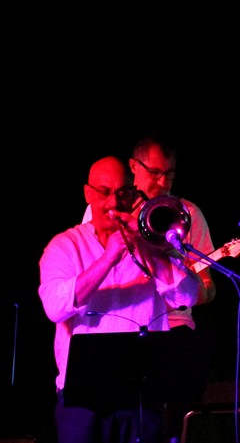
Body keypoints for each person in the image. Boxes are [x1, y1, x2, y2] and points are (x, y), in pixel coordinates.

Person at [38, 156, 202, 443]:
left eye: (122, 192)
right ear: (87, 193)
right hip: (81, 398)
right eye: (104, 192)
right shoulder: (65, 246)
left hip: (139, 395)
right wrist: (109, 258)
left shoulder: (151, 243)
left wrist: (151, 251)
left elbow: (188, 295)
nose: (113, 202)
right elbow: (55, 307)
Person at [82, 134, 217, 330]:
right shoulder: (104, 211)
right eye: (154, 173)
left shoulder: (188, 213)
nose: (162, 182)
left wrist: (185, 283)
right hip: (121, 321)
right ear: (133, 165)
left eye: (169, 174)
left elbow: (207, 288)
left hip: (174, 324)